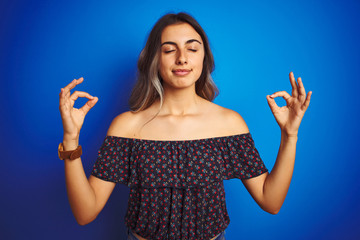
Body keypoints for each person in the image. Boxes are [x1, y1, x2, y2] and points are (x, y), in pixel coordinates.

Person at [58, 12, 312, 240]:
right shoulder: (126, 126)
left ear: (204, 58)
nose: (182, 58)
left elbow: (271, 201)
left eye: (192, 48)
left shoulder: (229, 123)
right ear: (154, 60)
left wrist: (290, 134)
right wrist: (71, 138)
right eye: (169, 50)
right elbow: (85, 213)